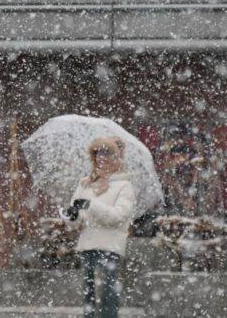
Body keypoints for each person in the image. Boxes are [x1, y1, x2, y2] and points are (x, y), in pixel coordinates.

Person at [66, 136, 136, 318]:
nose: (101, 157)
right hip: (87, 247)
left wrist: (91, 205)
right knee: (89, 299)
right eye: (97, 152)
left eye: (107, 152)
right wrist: (72, 216)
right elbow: (75, 220)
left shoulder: (124, 186)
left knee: (107, 297)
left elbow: (117, 217)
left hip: (109, 249)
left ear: (117, 157)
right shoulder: (85, 183)